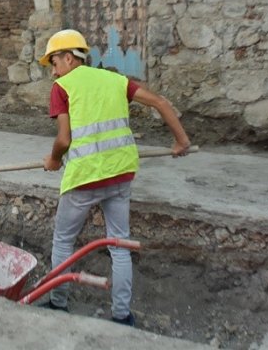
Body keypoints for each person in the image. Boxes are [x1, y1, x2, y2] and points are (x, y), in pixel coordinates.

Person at [37, 29, 191, 326]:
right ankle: (122, 316)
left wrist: (54, 160)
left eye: (53, 62)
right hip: (121, 174)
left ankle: (58, 304)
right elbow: (160, 102)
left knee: (63, 240)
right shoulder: (115, 80)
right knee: (119, 245)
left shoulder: (63, 87)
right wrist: (181, 141)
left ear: (69, 57)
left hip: (84, 178)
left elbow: (64, 139)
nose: (53, 71)